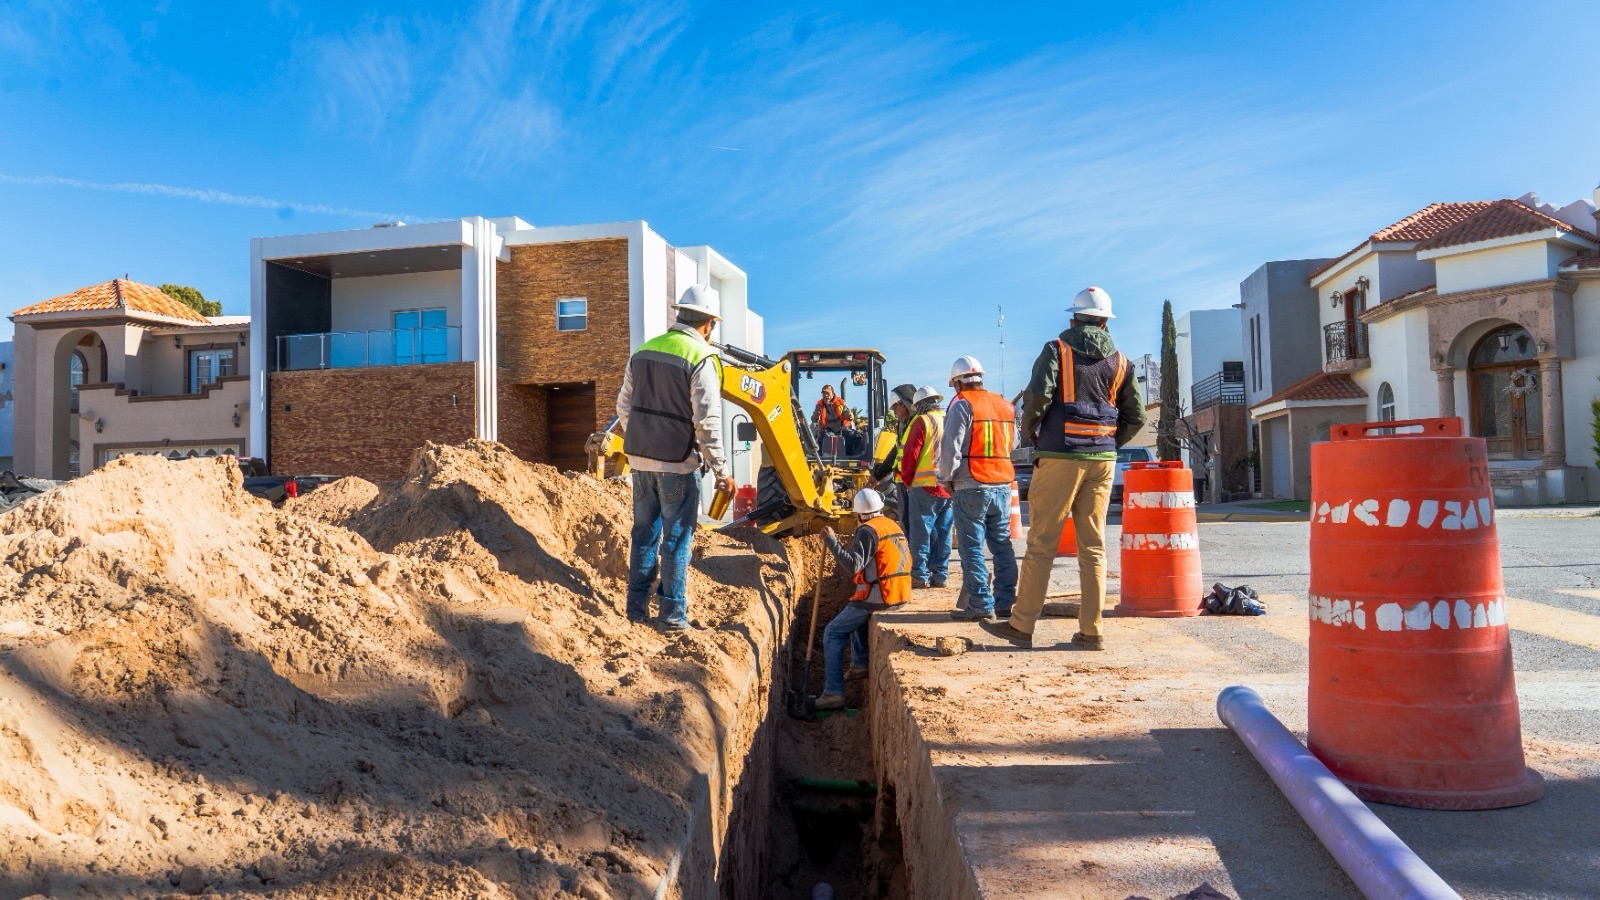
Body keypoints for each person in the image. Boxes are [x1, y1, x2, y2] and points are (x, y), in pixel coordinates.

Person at [983, 286, 1145, 651]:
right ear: (1105, 323)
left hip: (1059, 455)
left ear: (1073, 320)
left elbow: (1037, 396)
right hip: (1102, 462)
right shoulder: (1122, 361)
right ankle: (1092, 631)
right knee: (1094, 547)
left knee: (1042, 544)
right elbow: (1135, 416)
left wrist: (1032, 432)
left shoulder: (1057, 349)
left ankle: (1022, 626)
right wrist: (1108, 443)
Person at [615, 284, 737, 631]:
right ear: (708, 324)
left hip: (641, 462)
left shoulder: (644, 351)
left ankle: (636, 610)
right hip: (678, 465)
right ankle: (671, 615)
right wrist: (722, 470)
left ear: (680, 314)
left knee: (644, 535)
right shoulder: (702, 357)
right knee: (677, 539)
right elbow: (707, 421)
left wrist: (645, 440)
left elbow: (624, 406)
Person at [815, 489, 912, 710]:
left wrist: (832, 542)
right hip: (899, 591)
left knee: (832, 632)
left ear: (858, 514)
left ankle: (833, 693)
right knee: (855, 609)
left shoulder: (868, 531)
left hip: (882, 594)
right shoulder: (891, 524)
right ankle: (859, 664)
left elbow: (854, 565)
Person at [938, 356, 1018, 621]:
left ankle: (981, 604)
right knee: (1002, 545)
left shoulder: (962, 405)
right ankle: (1005, 602)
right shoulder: (1004, 405)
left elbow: (950, 447)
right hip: (1002, 484)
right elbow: (1013, 443)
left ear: (958, 383)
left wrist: (945, 478)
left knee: (971, 548)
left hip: (971, 485)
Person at [899, 385, 953, 589]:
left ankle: (920, 575)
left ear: (920, 404)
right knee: (944, 533)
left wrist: (907, 480)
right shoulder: (949, 419)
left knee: (921, 533)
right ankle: (940, 575)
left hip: (924, 486)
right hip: (948, 487)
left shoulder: (923, 421)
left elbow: (911, 454)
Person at [868, 383, 919, 527]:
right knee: (908, 524)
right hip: (905, 482)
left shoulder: (918, 423)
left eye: (895, 407)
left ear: (904, 404)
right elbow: (896, 452)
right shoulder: (904, 424)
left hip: (916, 484)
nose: (894, 412)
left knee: (918, 526)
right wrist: (877, 476)